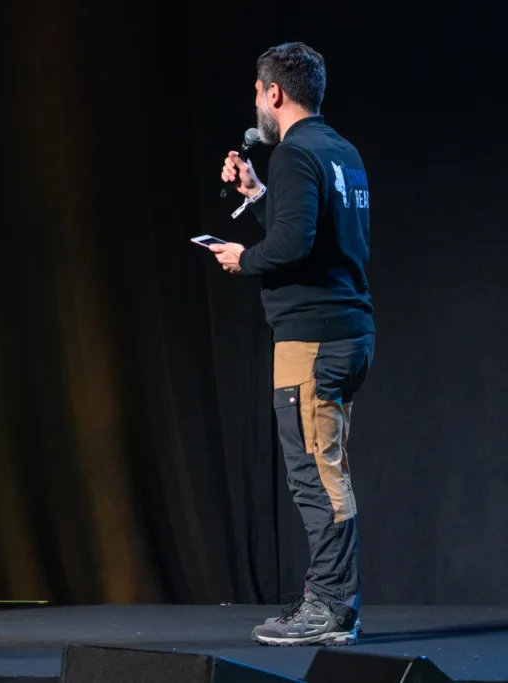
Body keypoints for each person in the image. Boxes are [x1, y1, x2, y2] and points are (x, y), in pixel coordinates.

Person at [213, 42, 373, 646]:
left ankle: (330, 606)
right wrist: (257, 194)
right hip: (346, 332)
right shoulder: (340, 151)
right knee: (327, 469)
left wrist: (242, 258)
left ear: (273, 93)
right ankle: (334, 603)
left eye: (257, 91)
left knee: (315, 475)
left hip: (313, 341)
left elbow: (291, 246)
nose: (255, 101)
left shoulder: (294, 153)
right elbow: (309, 234)